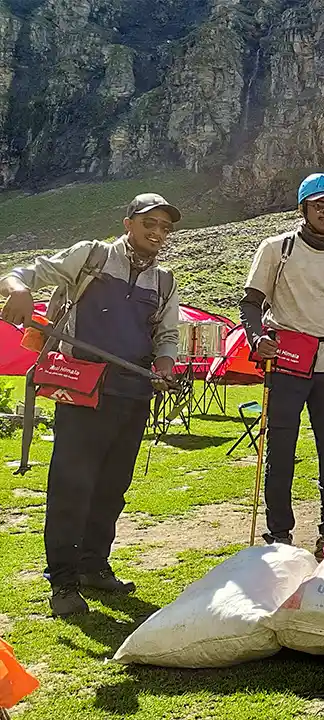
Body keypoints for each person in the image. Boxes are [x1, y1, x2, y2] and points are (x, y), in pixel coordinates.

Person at [1, 193, 181, 616]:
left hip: (133, 393)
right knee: (72, 487)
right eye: (149, 223)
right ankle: (63, 582)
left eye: (165, 227)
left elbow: (167, 336)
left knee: (112, 488)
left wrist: (165, 364)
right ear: (128, 224)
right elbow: (21, 273)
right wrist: (19, 290)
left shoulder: (165, 282)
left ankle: (93, 566)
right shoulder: (91, 257)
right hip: (81, 391)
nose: (157, 233)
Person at [241, 173, 324, 561]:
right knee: (281, 450)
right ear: (303, 209)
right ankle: (279, 533)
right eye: (320, 206)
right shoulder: (277, 249)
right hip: (287, 362)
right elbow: (250, 303)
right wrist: (255, 338)